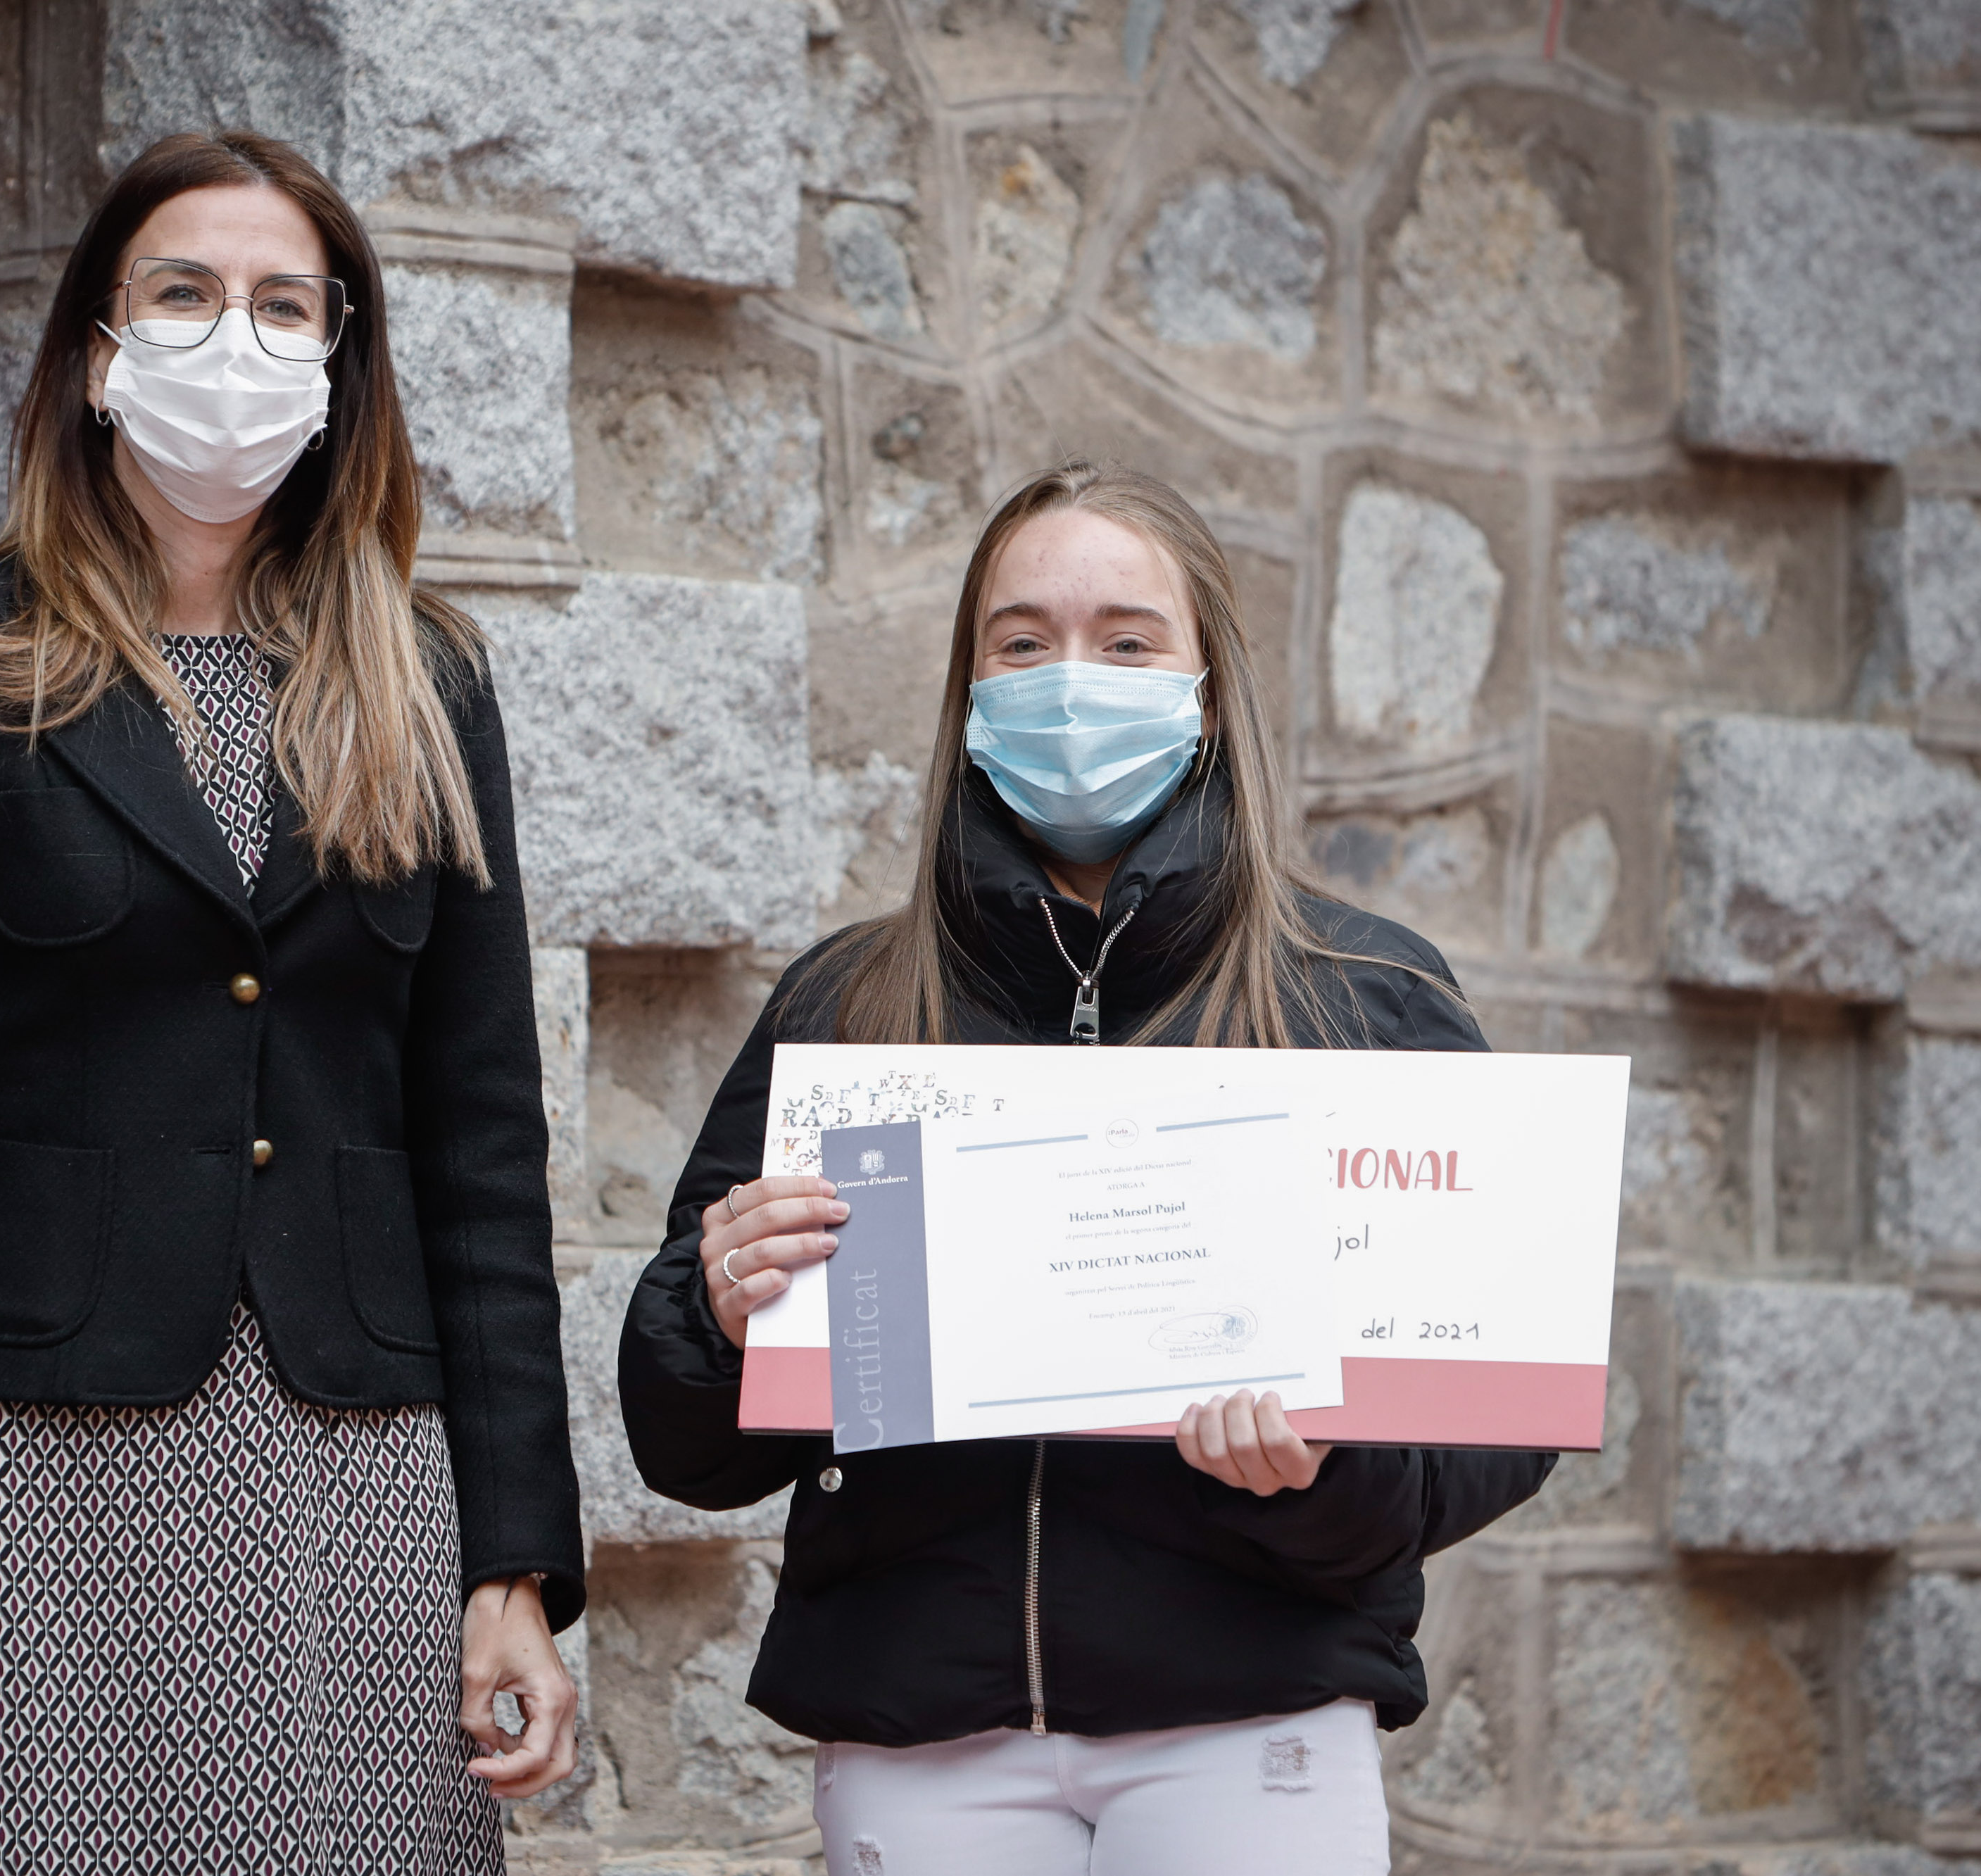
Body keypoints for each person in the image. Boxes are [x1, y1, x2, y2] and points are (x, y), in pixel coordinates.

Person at [0, 130, 581, 1876]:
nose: (238, 336)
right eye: (187, 293)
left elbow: (485, 1144)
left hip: (358, 1473)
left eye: (286, 303)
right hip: (15, 1481)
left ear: (340, 359)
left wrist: (515, 1558)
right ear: (94, 349)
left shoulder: (427, 687)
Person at [617, 461, 1554, 1875]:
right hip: (921, 1733)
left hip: (1252, 1724)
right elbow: (684, 1448)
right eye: (1022, 641)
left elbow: (1499, 1408)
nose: (1071, 680)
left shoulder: (1363, 994)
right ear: (967, 686)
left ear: (1205, 692)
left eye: (1126, 641)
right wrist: (716, 1310)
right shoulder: (847, 1007)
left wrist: (1321, 1466)